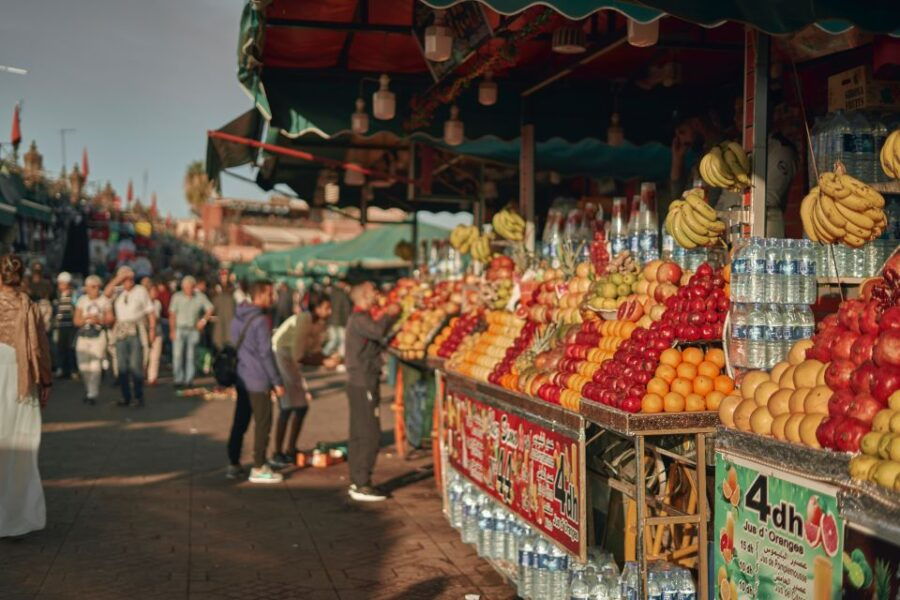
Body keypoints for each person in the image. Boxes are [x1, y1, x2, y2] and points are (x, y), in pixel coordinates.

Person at [0, 254, 52, 538]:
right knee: (21, 447)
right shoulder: (29, 307)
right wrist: (46, 382)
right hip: (22, 377)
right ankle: (17, 517)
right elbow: (41, 347)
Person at [343, 282, 400, 502]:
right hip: (363, 380)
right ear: (366, 296)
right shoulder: (360, 319)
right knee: (369, 432)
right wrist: (390, 315)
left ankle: (357, 479)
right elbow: (377, 330)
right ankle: (362, 483)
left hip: (359, 380)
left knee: (358, 431)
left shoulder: (358, 318)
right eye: (374, 291)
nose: (378, 294)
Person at [270, 294, 339, 467]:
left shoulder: (320, 324)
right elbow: (299, 356)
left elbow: (314, 351)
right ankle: (277, 452)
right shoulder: (304, 319)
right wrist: (324, 361)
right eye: (326, 308)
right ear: (316, 308)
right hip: (280, 355)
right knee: (287, 406)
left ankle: (291, 449)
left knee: (301, 406)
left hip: (290, 359)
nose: (329, 312)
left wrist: (328, 358)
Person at [226, 280, 285, 483]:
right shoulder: (260, 320)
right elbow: (265, 353)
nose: (273, 298)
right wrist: (276, 381)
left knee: (240, 422)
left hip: (242, 377)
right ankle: (259, 466)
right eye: (269, 294)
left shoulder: (238, 315)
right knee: (263, 423)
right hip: (258, 379)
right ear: (259, 295)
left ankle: (233, 463)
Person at [105, 266, 156, 407]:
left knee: (135, 365)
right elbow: (106, 293)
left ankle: (138, 397)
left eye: (130, 278)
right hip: (121, 330)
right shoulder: (117, 291)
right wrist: (118, 279)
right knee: (121, 366)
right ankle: (126, 396)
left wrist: (152, 330)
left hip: (136, 329)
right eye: (125, 279)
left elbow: (150, 312)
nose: (128, 281)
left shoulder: (140, 291)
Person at [73, 275, 114, 404]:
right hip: (84, 335)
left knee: (95, 365)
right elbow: (76, 320)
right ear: (87, 288)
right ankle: (89, 389)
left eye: (97, 287)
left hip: (98, 335)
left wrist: (99, 320)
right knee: (83, 366)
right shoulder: (82, 300)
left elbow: (110, 318)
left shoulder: (104, 301)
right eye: (92, 287)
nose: (95, 289)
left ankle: (92, 393)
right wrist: (86, 319)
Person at [168, 276, 213, 388]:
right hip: (179, 328)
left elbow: (210, 308)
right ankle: (178, 379)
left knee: (191, 355)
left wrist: (203, 321)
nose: (188, 289)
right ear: (183, 287)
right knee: (177, 355)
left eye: (190, 287)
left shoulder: (199, 297)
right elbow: (172, 315)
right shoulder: (177, 297)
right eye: (186, 287)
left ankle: (189, 379)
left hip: (193, 329)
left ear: (193, 287)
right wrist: (172, 330)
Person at [51, 272, 77, 378]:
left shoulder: (73, 295)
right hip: (60, 326)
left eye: (62, 283)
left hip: (70, 326)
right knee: (60, 348)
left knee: (71, 348)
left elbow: (76, 308)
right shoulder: (57, 296)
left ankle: (72, 370)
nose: (60, 285)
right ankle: (62, 369)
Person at [325, 280, 351, 357]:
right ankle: (340, 356)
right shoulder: (343, 294)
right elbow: (347, 309)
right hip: (341, 320)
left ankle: (325, 353)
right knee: (342, 340)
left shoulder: (331, 293)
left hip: (331, 320)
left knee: (334, 340)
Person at [211, 268, 236, 351]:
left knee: (230, 343)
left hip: (230, 321)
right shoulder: (214, 289)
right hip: (219, 323)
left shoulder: (233, 289)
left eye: (225, 275)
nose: (224, 278)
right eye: (222, 275)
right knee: (218, 344)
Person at [146, 285, 163, 385]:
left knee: (155, 356)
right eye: (152, 291)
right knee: (145, 356)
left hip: (157, 332)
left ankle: (152, 378)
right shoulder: (143, 303)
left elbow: (157, 317)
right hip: (145, 331)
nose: (155, 293)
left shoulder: (157, 303)